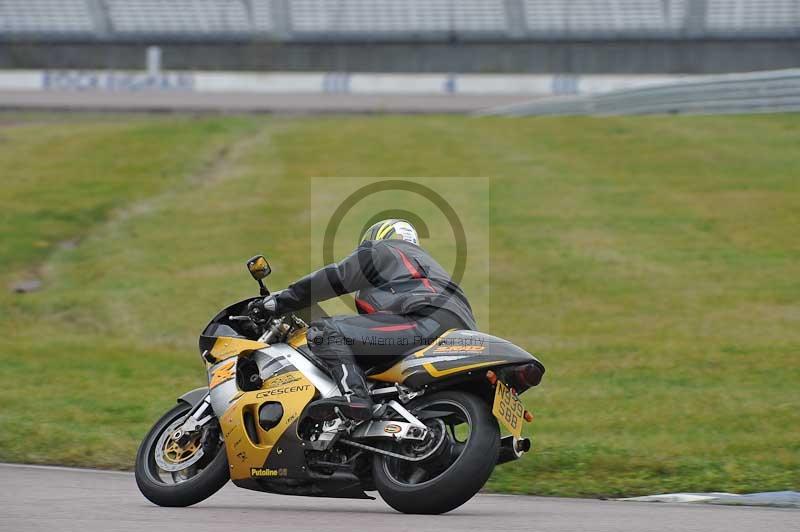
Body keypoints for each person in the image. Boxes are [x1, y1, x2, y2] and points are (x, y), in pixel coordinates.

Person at [257, 219, 476, 422]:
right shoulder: (430, 271)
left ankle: (355, 398)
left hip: (425, 321)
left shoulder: (384, 250)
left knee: (325, 331)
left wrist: (280, 301)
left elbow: (335, 277)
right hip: (459, 334)